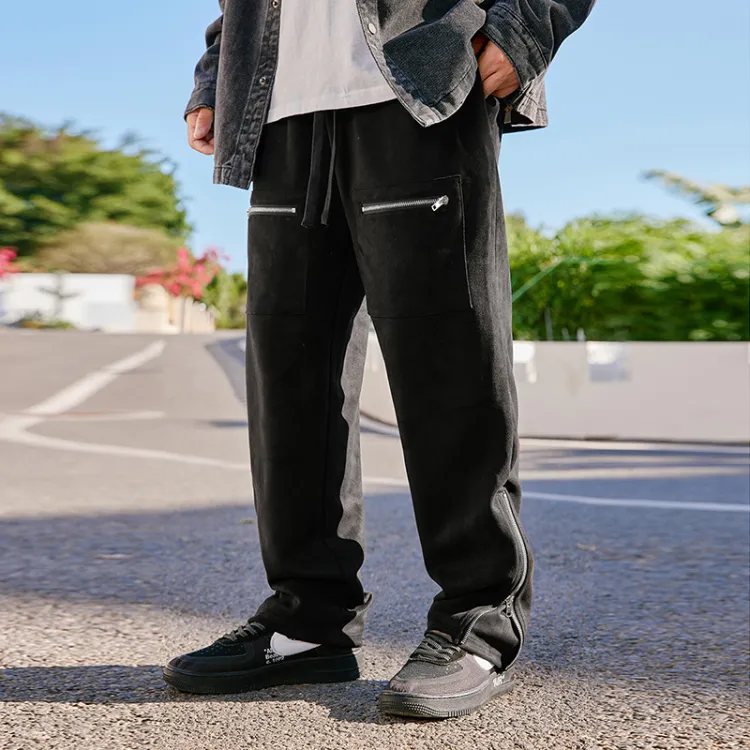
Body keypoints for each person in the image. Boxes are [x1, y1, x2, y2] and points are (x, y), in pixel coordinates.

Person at [164, 0, 595, 718]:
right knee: (290, 379)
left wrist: (524, 28)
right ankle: (308, 620)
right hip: (279, 110)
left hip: (419, 85)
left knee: (446, 364)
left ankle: (477, 621)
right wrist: (214, 79)